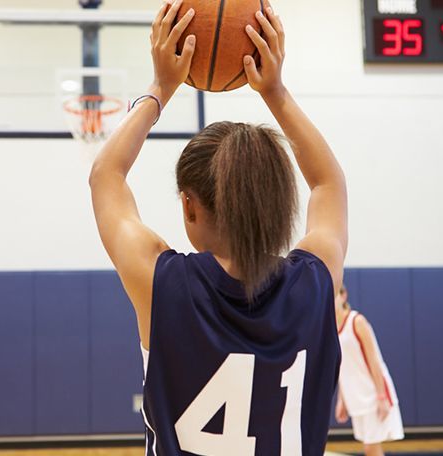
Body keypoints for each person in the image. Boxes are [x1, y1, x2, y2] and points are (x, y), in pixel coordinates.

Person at [88, 0, 348, 454]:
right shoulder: (316, 281)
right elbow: (328, 182)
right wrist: (276, 92)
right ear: (276, 201)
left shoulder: (161, 284)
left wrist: (160, 87)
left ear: (190, 207)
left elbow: (105, 176)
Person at [334, 286, 404, 456]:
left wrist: (381, 396)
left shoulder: (357, 321)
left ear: (343, 296)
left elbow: (374, 361)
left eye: (334, 295)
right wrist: (341, 400)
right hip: (355, 397)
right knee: (369, 446)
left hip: (372, 394)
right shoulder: (332, 328)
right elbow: (343, 368)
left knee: (371, 448)